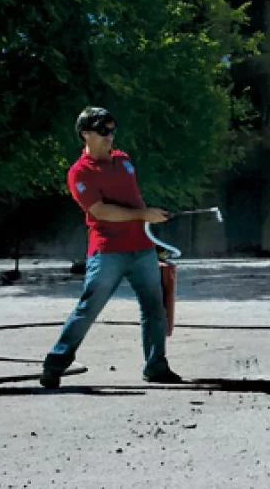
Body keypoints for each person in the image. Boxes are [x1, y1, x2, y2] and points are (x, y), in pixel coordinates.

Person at [40, 107, 182, 388]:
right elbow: (100, 211)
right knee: (89, 308)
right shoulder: (79, 173)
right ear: (85, 134)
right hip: (107, 252)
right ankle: (54, 365)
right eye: (102, 131)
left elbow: (133, 199)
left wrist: (151, 217)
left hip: (142, 248)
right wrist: (143, 215)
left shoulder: (124, 160)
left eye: (112, 129)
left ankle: (156, 367)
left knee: (155, 309)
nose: (109, 136)